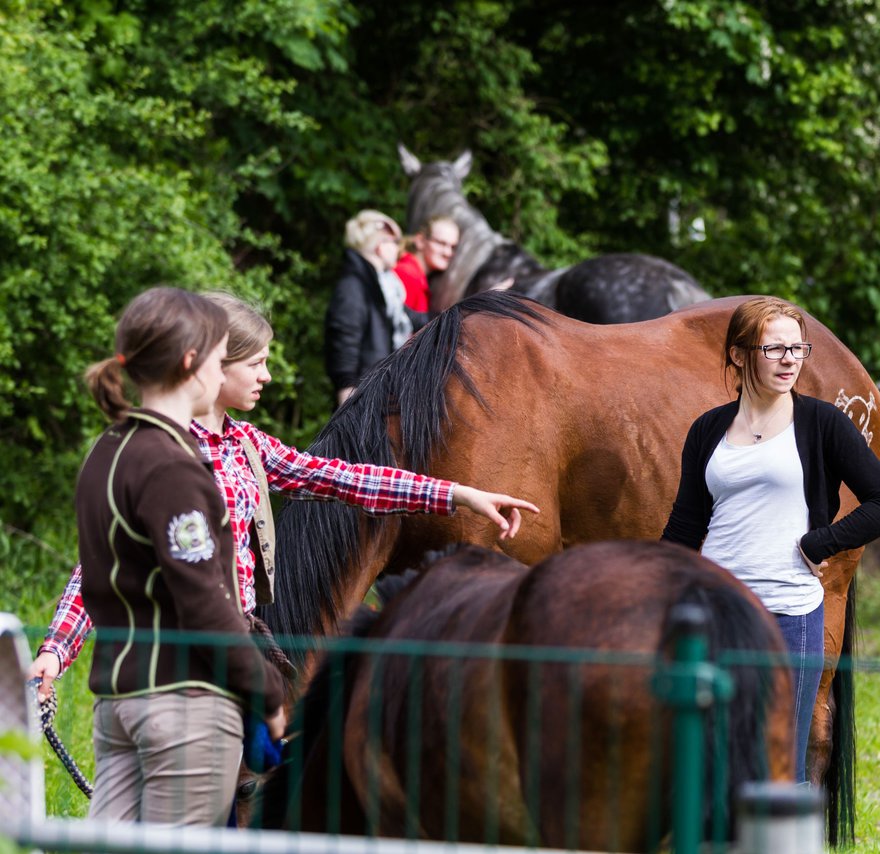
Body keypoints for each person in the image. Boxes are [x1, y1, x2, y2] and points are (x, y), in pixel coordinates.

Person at [31, 292, 539, 704]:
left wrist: (456, 494)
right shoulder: (158, 452)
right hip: (178, 672)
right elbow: (99, 563)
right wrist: (56, 650)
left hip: (226, 667)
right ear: (213, 364)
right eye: (256, 362)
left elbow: (344, 479)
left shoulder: (247, 444)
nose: (266, 376)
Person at [661, 295, 880, 780]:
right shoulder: (707, 429)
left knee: (780, 767)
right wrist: (652, 586)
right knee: (711, 761)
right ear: (738, 354)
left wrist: (820, 544)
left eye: (797, 348)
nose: (789, 359)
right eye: (774, 349)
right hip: (718, 609)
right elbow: (685, 526)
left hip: (789, 613)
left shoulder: (820, 423)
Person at [70, 287, 285, 824]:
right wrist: (269, 692)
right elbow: (205, 600)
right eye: (218, 360)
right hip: (184, 703)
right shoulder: (171, 466)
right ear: (191, 363)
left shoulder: (108, 450)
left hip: (118, 699)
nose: (221, 374)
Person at [325, 210, 425, 407]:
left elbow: (416, 318)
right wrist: (347, 394)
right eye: (395, 242)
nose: (400, 249)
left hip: (377, 394)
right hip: (360, 398)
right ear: (380, 246)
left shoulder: (384, 288)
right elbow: (344, 341)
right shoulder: (354, 286)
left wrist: (467, 309)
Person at [394, 215, 460, 314]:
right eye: (441, 243)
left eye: (453, 247)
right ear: (420, 241)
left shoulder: (417, 277)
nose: (448, 253)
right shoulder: (407, 275)